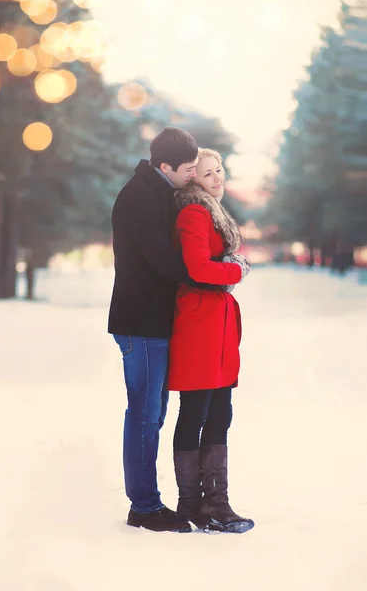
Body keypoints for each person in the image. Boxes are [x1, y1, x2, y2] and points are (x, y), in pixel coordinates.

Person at [108, 127, 199, 533]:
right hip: (140, 322)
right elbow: (164, 260)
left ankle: (145, 501)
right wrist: (213, 277)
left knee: (152, 413)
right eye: (189, 168)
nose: (194, 175)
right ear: (166, 166)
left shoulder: (158, 191)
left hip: (152, 321)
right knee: (145, 414)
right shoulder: (140, 197)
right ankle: (143, 506)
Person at [169, 147, 254, 533]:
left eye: (219, 170)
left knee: (220, 413)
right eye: (208, 173)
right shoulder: (193, 212)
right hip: (199, 326)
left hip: (217, 328)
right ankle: (191, 503)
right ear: (193, 181)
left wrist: (230, 270)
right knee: (195, 412)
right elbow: (197, 267)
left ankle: (215, 503)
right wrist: (233, 269)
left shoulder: (212, 212)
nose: (217, 178)